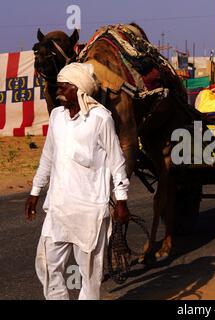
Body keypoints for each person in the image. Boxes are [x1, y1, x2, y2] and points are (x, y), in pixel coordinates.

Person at [24, 63, 130, 300]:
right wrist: (35, 191)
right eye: (59, 85)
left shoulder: (100, 118)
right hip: (58, 207)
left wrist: (121, 200)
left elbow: (117, 162)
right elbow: (48, 157)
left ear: (80, 89)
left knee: (90, 277)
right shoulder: (56, 117)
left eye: (66, 86)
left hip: (89, 212)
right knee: (46, 266)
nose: (59, 89)